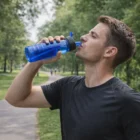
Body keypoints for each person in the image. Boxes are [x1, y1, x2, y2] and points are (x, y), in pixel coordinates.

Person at [5, 15, 140, 140]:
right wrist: (37, 61)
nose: (82, 37)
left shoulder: (128, 101)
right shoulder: (67, 86)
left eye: (93, 36)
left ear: (109, 51)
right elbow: (15, 98)